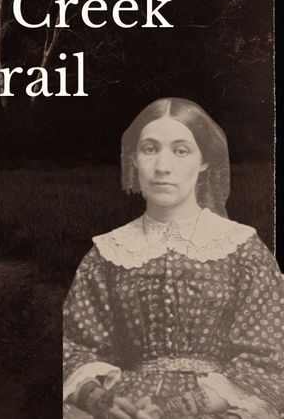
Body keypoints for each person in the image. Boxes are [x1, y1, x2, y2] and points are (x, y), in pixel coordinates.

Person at [62, 98, 283, 418]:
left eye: (181, 150)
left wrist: (188, 406)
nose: (162, 166)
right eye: (150, 149)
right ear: (134, 159)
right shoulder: (108, 253)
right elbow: (75, 347)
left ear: (205, 161)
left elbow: (267, 360)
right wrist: (100, 400)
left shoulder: (242, 250)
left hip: (219, 406)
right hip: (129, 407)